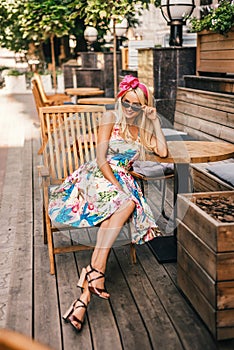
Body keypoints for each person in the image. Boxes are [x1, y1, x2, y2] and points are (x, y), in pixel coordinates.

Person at [48, 75, 168, 332]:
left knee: (123, 205)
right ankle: (95, 275)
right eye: (126, 102)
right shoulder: (110, 118)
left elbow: (163, 152)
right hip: (98, 176)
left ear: (144, 106)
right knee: (125, 203)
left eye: (136, 105)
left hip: (124, 181)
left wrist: (155, 121)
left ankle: (87, 289)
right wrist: (116, 187)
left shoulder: (142, 128)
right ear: (120, 99)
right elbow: (101, 159)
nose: (130, 108)